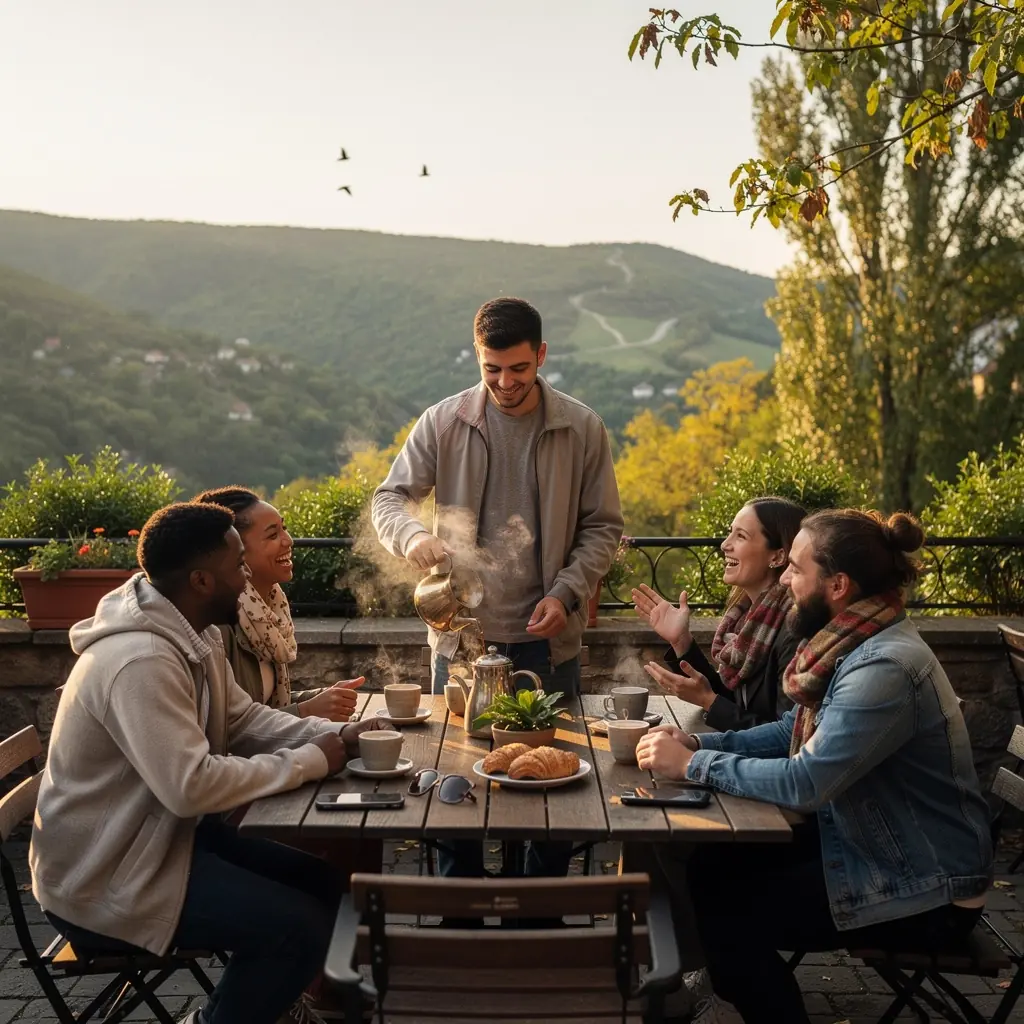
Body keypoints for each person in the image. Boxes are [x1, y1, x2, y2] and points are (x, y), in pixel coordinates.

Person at [29, 502, 389, 1024]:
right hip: (104, 877)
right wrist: (313, 760)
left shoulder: (196, 634)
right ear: (201, 580)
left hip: (161, 841)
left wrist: (339, 735)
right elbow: (190, 787)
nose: (247, 577)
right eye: (238, 565)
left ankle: (276, 1005)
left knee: (330, 885)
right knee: (298, 928)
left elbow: (246, 722)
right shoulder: (140, 661)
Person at [636, 509, 993, 1024]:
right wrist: (697, 740)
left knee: (729, 916)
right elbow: (792, 733)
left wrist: (695, 764)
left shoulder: (884, 667)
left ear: (839, 584)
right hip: (875, 844)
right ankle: (728, 991)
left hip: (927, 888)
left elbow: (804, 783)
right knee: (711, 867)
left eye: (796, 569)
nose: (784, 579)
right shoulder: (856, 641)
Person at [371, 295, 623, 881]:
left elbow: (603, 527)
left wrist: (565, 593)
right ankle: (461, 907)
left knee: (554, 784)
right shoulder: (443, 420)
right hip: (459, 643)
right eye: (491, 369)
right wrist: (412, 539)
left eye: (518, 368)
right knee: (452, 779)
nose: (505, 383)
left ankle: (541, 909)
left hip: (548, 643)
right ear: (477, 357)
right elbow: (390, 498)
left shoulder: (581, 427)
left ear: (541, 355)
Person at [634, 496, 805, 731]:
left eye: (741, 536)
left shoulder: (793, 631)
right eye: (730, 532)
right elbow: (733, 701)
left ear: (777, 556)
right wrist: (681, 641)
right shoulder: (747, 619)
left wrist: (707, 702)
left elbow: (784, 737)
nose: (725, 544)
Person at [194, 486, 363, 720]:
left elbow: (265, 704)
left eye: (284, 529)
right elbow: (228, 727)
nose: (288, 541)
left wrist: (323, 698)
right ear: (234, 549)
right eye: (273, 535)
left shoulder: (268, 609)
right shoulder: (219, 628)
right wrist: (307, 711)